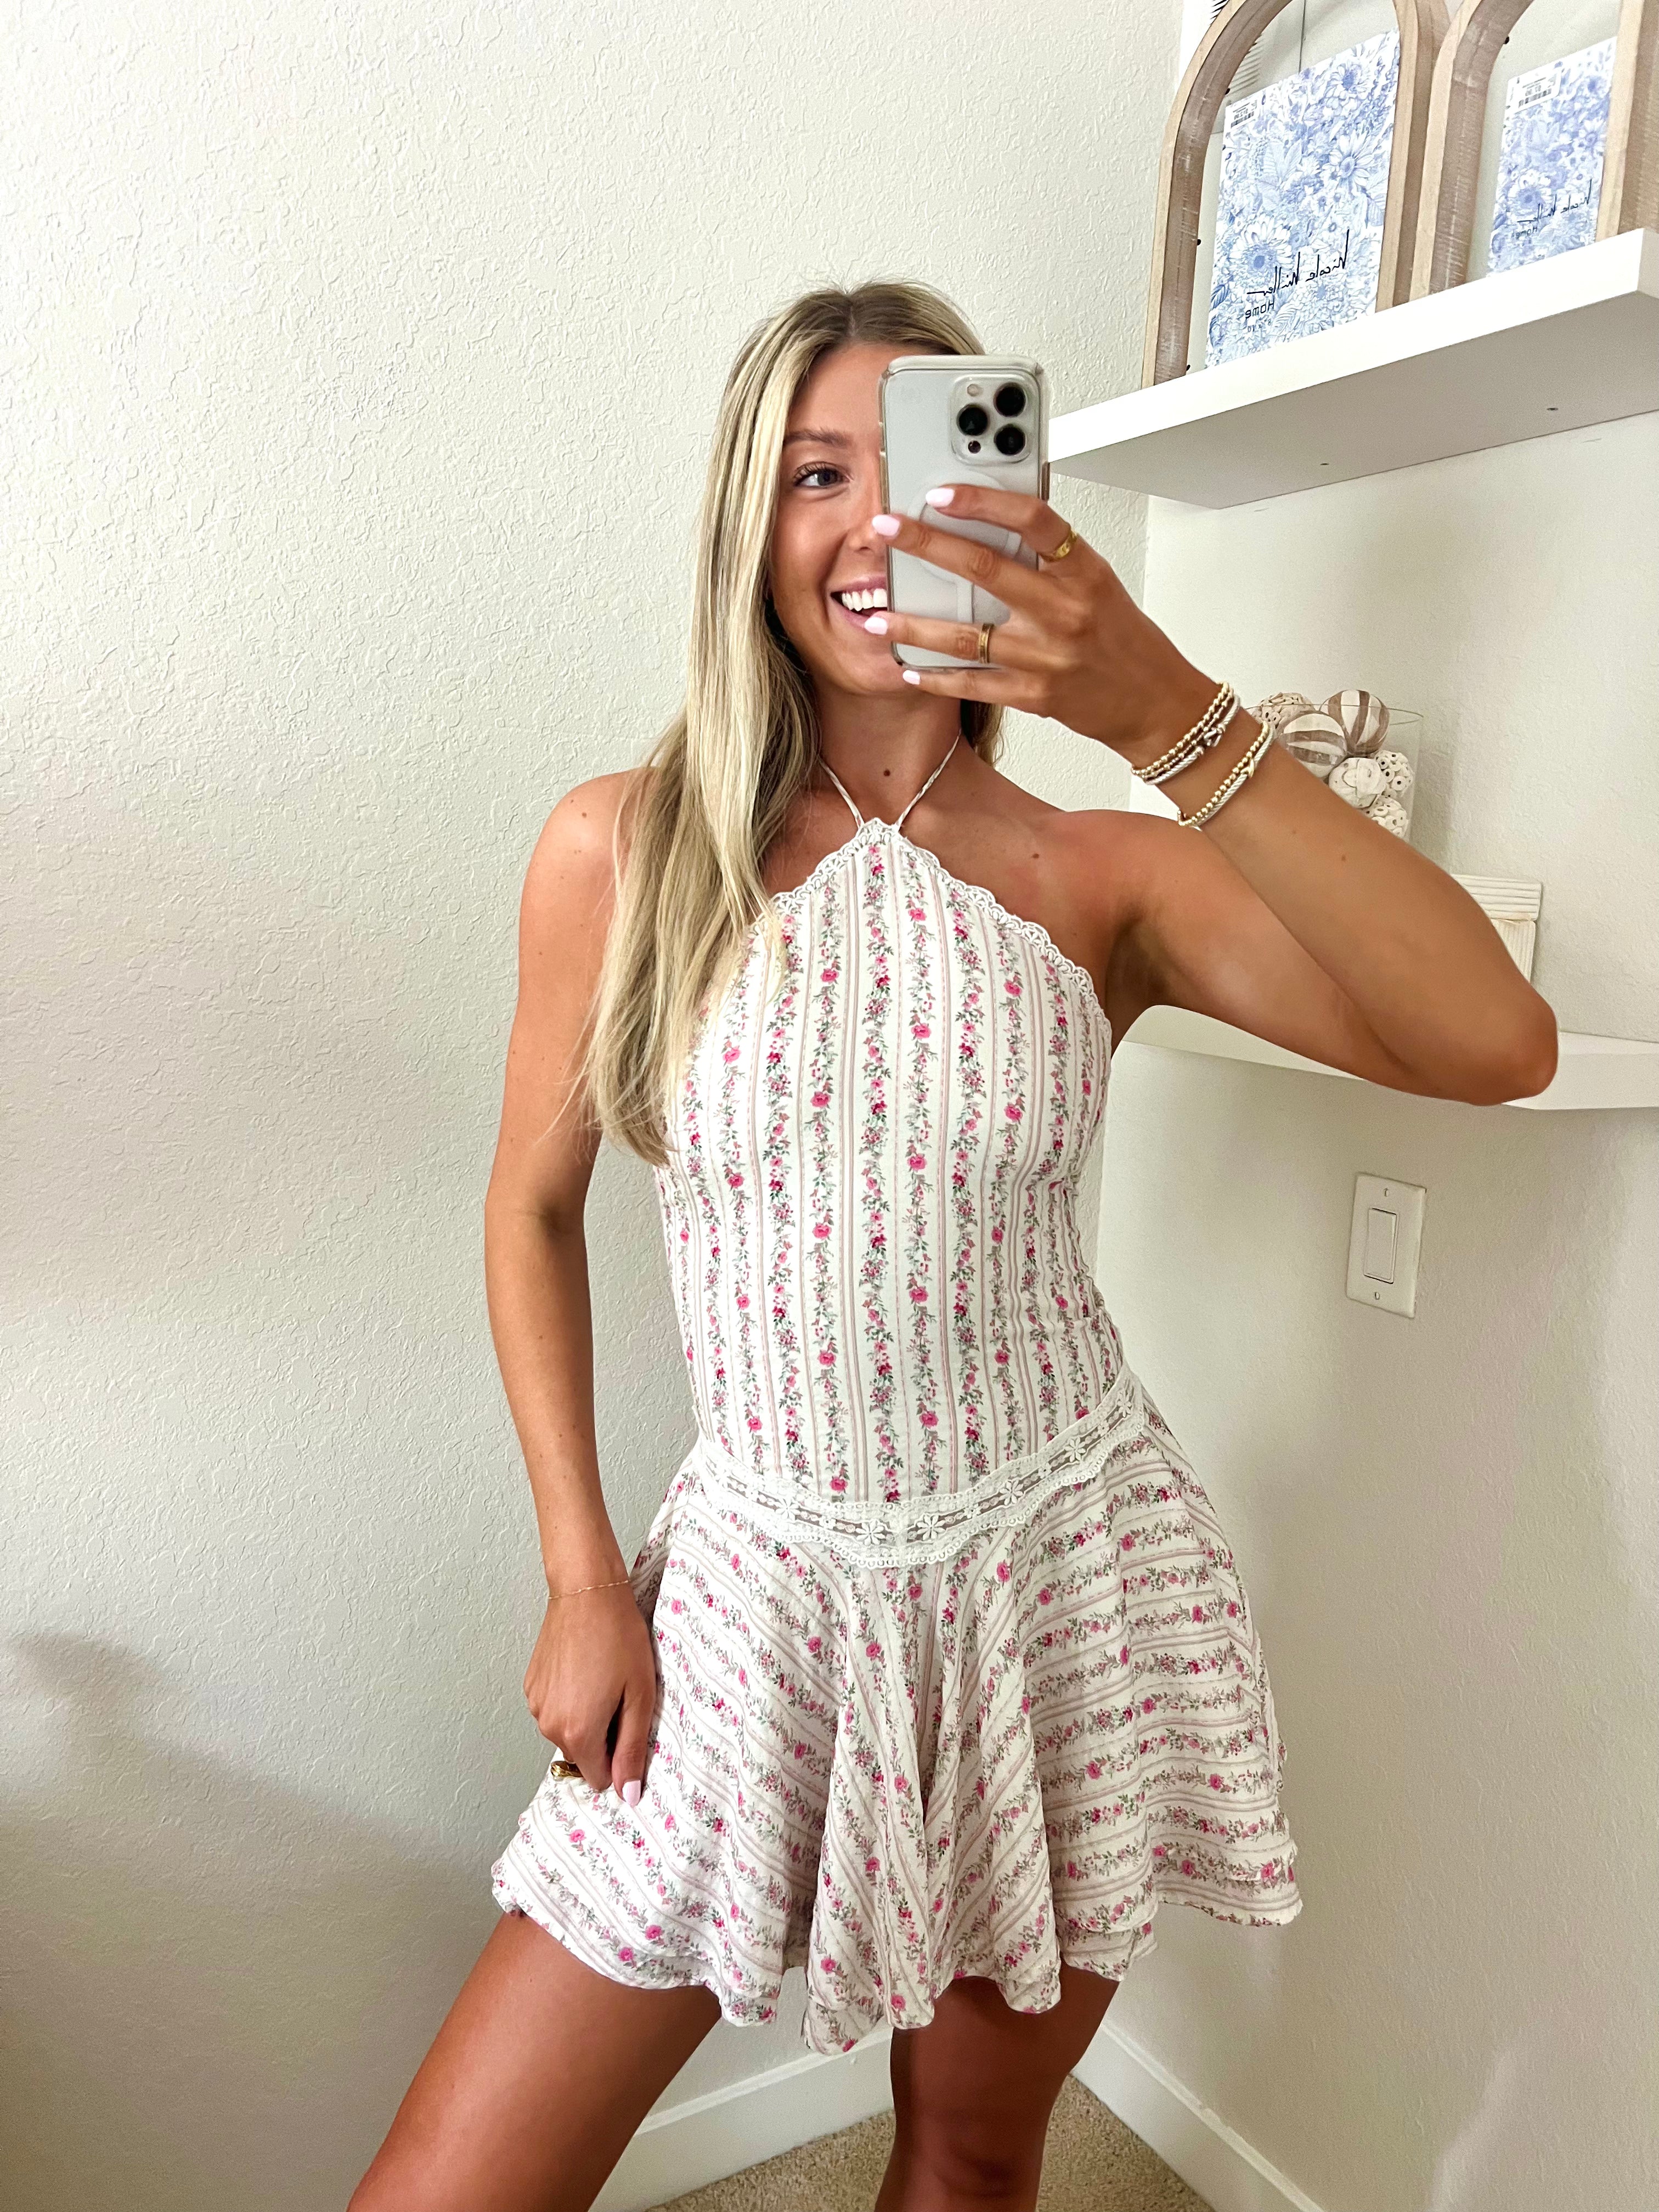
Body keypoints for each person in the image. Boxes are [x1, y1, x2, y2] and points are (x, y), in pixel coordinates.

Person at [349, 281, 1556, 2212]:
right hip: (754, 1581)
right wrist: (584, 1568)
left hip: (1057, 1586)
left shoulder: (1099, 875)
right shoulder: (628, 849)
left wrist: (1160, 705)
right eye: (816, 470)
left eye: (919, 463)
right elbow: (531, 1202)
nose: (869, 519)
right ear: (753, 520)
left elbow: (1495, 1042)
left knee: (975, 2158)